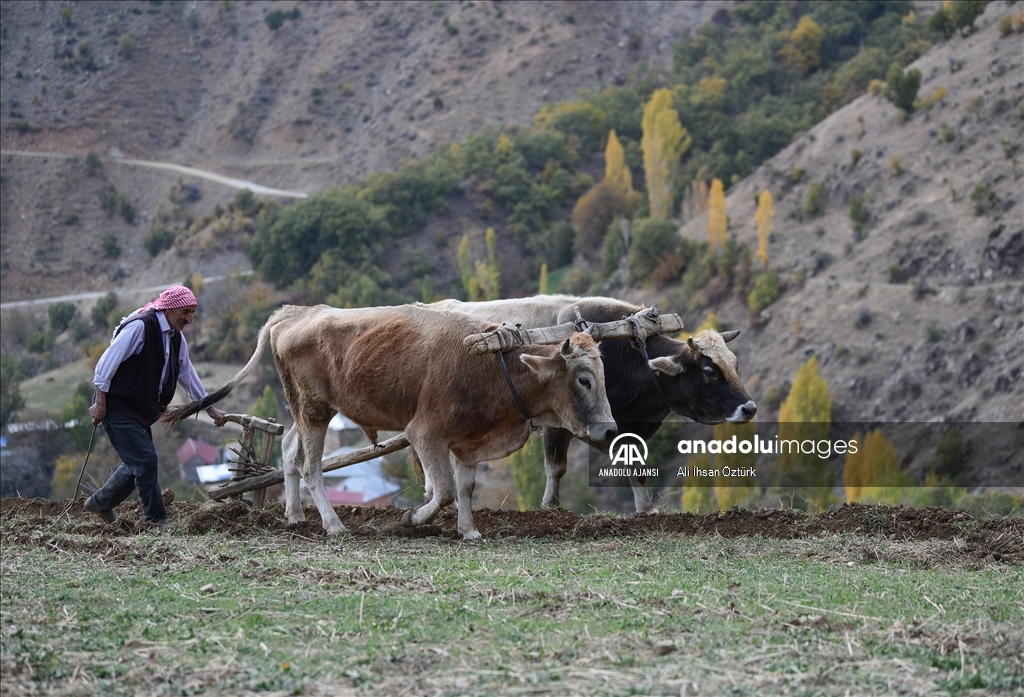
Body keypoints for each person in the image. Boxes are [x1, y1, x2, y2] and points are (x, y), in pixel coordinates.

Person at [84, 285, 227, 526]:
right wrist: (100, 402)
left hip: (139, 411)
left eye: (192, 313)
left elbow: (187, 375)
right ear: (170, 309)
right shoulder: (141, 327)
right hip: (116, 406)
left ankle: (100, 503)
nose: (189, 318)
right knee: (145, 461)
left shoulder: (176, 338)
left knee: (138, 463)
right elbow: (104, 365)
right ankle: (156, 519)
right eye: (185, 311)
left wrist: (210, 408)